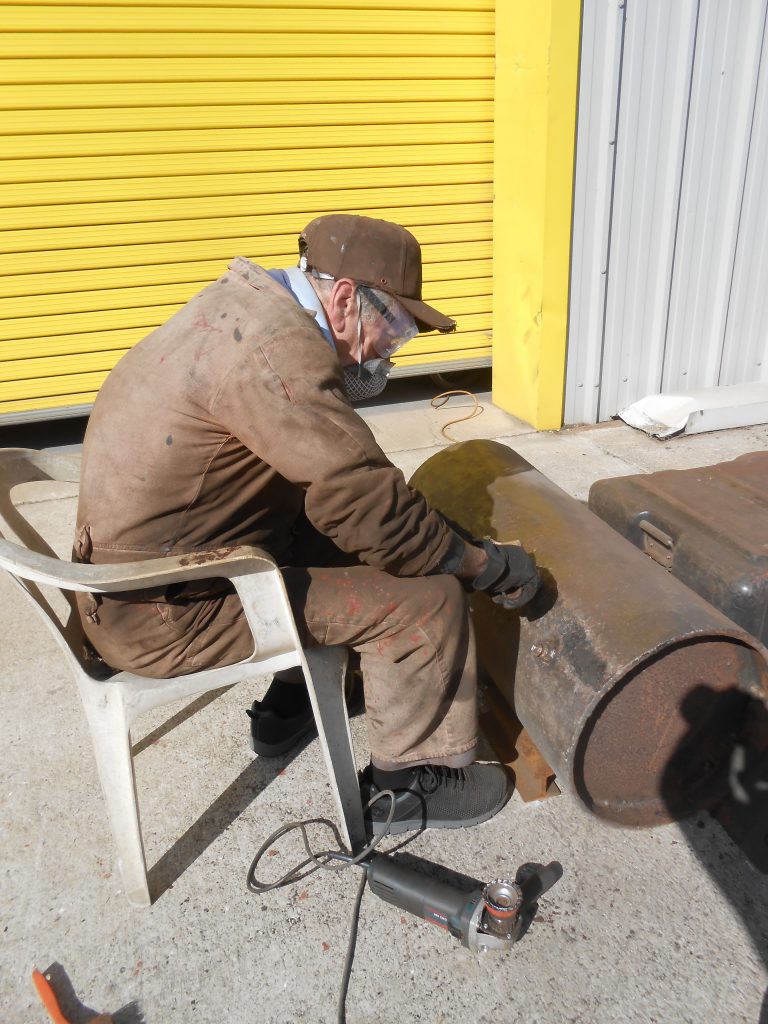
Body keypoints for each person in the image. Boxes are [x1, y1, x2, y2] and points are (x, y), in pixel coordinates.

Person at [73, 214, 540, 836]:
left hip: (135, 585)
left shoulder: (239, 306)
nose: (389, 352)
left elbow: (336, 487)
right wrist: (483, 563)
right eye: (394, 326)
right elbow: (368, 508)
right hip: (166, 615)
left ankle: (290, 704)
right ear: (345, 297)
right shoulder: (278, 352)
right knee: (428, 595)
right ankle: (410, 783)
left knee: (334, 539)